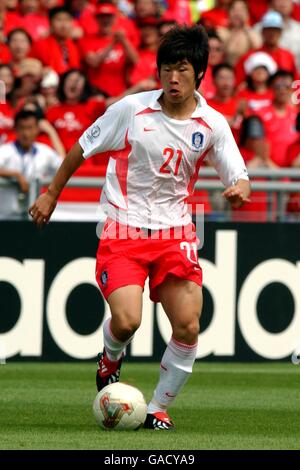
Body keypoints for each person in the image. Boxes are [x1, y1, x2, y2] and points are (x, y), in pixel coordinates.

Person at [29, 25, 250, 430]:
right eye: (166, 68)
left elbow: (238, 172)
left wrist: (238, 188)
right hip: (123, 229)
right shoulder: (131, 110)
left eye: (182, 68)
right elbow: (83, 145)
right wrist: (50, 194)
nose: (172, 77)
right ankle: (110, 357)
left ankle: (158, 407)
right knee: (128, 321)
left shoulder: (212, 123)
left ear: (199, 73)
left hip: (175, 233)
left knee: (187, 324)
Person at [0, 109, 62, 218]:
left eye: (30, 128)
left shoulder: (44, 151)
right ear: (15, 129)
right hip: (5, 217)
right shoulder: (5, 150)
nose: (26, 133)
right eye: (22, 128)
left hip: (33, 218)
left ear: (37, 129)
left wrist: (51, 132)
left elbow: (63, 165)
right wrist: (16, 175)